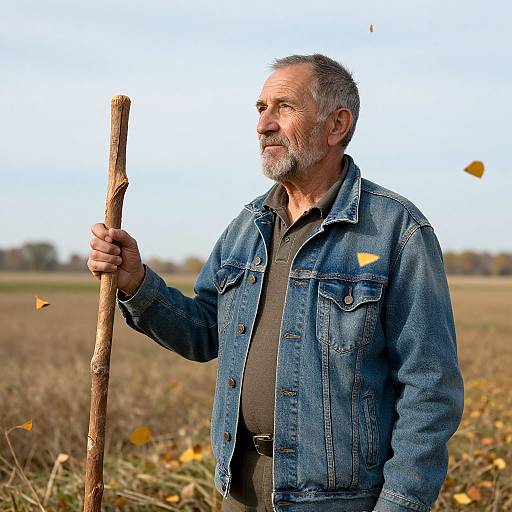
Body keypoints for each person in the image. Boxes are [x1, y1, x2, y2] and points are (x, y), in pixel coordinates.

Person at [87, 54, 464, 512]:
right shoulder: (248, 227)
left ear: (336, 124)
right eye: (260, 108)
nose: (264, 124)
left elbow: (431, 389)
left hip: (339, 502)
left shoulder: (396, 232)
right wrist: (136, 282)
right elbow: (206, 332)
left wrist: (401, 504)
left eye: (283, 107)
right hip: (241, 493)